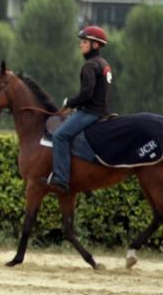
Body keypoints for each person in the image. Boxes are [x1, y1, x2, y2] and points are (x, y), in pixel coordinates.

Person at [47, 25, 113, 194]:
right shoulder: (104, 64)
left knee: (60, 136)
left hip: (90, 112)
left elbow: (87, 93)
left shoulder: (90, 65)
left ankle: (61, 179)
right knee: (74, 137)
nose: (80, 45)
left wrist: (70, 102)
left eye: (84, 42)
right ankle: (83, 180)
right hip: (102, 112)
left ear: (95, 45)